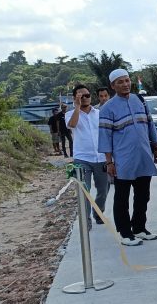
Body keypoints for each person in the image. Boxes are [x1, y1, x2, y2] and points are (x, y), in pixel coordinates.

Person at [99, 69, 157, 246]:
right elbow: (105, 137)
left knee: (143, 195)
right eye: (120, 82)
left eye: (127, 80)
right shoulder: (107, 108)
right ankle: (125, 233)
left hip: (143, 156)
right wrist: (109, 162)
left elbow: (150, 126)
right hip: (122, 160)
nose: (125, 84)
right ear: (113, 86)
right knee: (122, 197)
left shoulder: (139, 100)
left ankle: (139, 228)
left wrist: (156, 148)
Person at [65, 84, 109, 225]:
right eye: (81, 96)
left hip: (101, 158)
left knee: (104, 190)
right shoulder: (70, 114)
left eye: (87, 95)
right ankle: (86, 221)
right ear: (75, 98)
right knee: (85, 191)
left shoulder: (99, 113)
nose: (84, 98)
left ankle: (98, 213)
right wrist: (77, 107)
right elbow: (72, 124)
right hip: (82, 159)